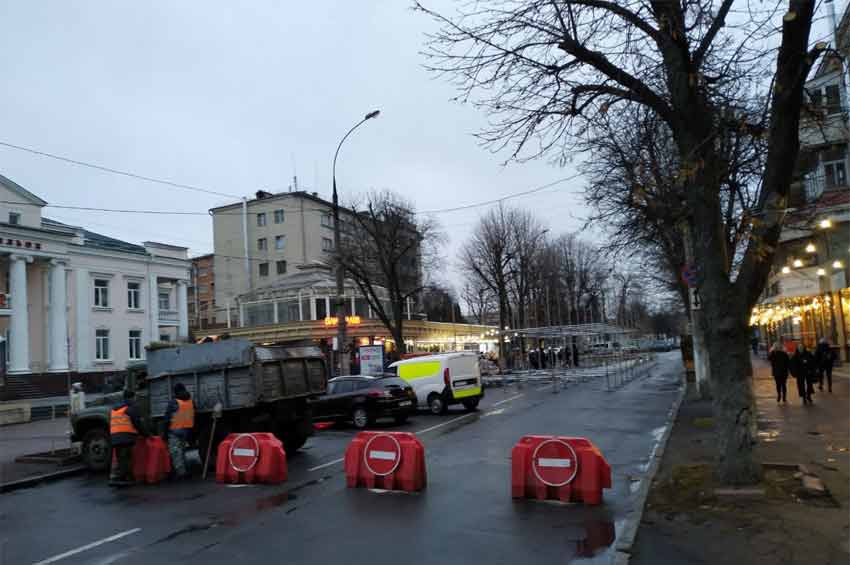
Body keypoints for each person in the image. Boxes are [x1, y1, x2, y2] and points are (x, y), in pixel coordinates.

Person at [109, 389, 145, 486]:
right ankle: (125, 478)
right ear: (131, 398)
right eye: (134, 397)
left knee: (120, 458)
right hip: (126, 436)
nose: (135, 399)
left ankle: (119, 477)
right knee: (127, 458)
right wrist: (146, 434)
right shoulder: (130, 408)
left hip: (115, 437)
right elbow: (137, 423)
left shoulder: (114, 409)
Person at [164, 383, 194, 479]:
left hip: (175, 430)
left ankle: (181, 473)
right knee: (182, 451)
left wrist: (165, 432)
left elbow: (167, 419)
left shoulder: (173, 402)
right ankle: (184, 470)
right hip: (186, 430)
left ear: (175, 391)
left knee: (176, 452)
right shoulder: (190, 401)